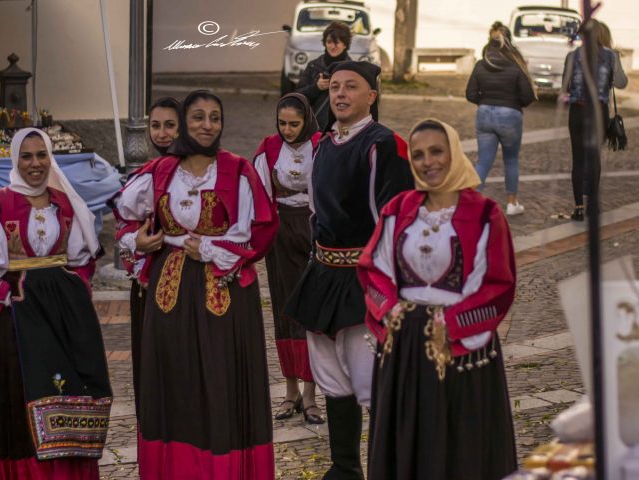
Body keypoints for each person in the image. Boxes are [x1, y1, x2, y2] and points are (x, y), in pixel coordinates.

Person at [112, 90, 279, 479]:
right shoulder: (160, 171)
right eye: (199, 117)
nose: (208, 125)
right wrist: (136, 241)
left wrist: (211, 249)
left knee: (222, 380)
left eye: (215, 117)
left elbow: (262, 231)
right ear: (185, 122)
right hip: (169, 294)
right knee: (176, 380)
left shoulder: (238, 170)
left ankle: (224, 469)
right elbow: (124, 214)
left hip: (225, 292)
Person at [358, 118, 517, 480]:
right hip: (405, 344)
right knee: (408, 438)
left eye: (436, 151)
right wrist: (392, 311)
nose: (427, 162)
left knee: (461, 440)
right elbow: (374, 268)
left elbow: (496, 282)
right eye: (418, 155)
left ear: (454, 153)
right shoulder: (398, 209)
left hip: (461, 346)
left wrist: (453, 323)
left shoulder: (485, 213)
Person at [285, 61, 415, 479]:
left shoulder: (383, 144)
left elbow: (393, 221)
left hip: (363, 279)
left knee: (370, 380)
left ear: (372, 96)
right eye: (336, 86)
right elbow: (315, 212)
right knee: (331, 377)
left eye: (352, 87)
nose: (340, 94)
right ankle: (344, 468)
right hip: (322, 274)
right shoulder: (324, 144)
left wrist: (388, 288)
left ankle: (385, 469)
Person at [0, 128, 112, 479]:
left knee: (71, 387)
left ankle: (67, 469)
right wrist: (2, 293)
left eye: (41, 155)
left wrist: (76, 286)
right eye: (26, 156)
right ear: (15, 160)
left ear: (50, 158)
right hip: (15, 317)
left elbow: (83, 258)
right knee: (18, 395)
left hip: (63, 316)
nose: (35, 163)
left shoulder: (65, 204)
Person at [253, 93, 324, 424]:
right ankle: (290, 391)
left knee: (310, 311)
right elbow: (258, 193)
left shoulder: (322, 146)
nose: (288, 130)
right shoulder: (268, 148)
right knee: (284, 309)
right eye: (282, 123)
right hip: (280, 231)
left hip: (313, 230)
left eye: (294, 124)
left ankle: (311, 395)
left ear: (306, 119)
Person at [117, 96, 179, 419]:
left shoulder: (201, 172)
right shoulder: (146, 176)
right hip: (150, 282)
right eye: (156, 126)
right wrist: (137, 242)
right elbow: (124, 226)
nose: (162, 133)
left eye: (170, 125)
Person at [466, 21, 536, 216]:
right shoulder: (516, 65)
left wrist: (486, 101)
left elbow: (470, 94)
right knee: (511, 160)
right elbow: (527, 96)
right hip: (510, 115)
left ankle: (470, 202)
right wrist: (512, 103)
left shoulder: (481, 64)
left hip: (485, 113)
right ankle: (512, 203)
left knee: (483, 161)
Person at [561, 19, 628, 221]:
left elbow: (565, 86)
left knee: (578, 159)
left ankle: (578, 208)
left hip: (578, 111)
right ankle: (592, 205)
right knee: (593, 158)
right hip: (598, 111)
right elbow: (621, 83)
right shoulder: (610, 56)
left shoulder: (572, 56)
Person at [297, 21, 352, 129]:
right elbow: (298, 96)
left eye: (336, 43)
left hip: (343, 128)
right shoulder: (313, 66)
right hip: (315, 127)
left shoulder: (353, 70)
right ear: (324, 43)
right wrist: (317, 87)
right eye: (329, 42)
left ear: (345, 44)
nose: (332, 46)